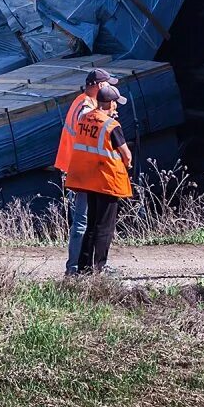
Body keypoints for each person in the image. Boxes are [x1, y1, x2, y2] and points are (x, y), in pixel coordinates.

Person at [54, 68, 117, 275]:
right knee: (82, 221)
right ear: (100, 86)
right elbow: (92, 135)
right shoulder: (85, 108)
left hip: (78, 168)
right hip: (81, 170)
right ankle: (75, 269)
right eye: (108, 85)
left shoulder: (81, 102)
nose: (110, 90)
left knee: (85, 220)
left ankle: (81, 267)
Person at [66, 84, 133, 275]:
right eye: (115, 103)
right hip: (107, 182)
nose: (116, 107)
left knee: (92, 225)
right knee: (105, 227)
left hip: (88, 180)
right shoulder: (111, 125)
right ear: (110, 103)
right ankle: (100, 268)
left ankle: (84, 267)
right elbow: (126, 155)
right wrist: (127, 165)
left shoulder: (85, 118)